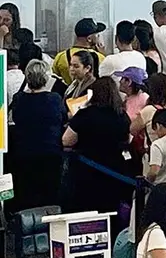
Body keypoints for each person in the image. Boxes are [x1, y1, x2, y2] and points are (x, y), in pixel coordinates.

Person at [62, 77, 132, 218]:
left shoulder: (85, 114)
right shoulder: (122, 116)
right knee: (110, 211)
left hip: (86, 171)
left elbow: (66, 140)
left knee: (87, 212)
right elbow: (128, 138)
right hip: (115, 171)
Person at [9, 59, 67, 211]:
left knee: (27, 193)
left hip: (24, 153)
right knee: (49, 194)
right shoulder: (55, 99)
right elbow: (63, 119)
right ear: (46, 78)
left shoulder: (18, 99)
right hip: (51, 153)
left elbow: (15, 119)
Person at [52, 18, 106, 84]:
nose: (98, 38)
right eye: (97, 35)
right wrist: (103, 54)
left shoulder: (61, 57)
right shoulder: (100, 57)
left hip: (68, 93)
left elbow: (55, 77)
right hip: (92, 93)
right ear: (89, 39)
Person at [146, 109, 166, 185]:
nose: (156, 133)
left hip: (161, 187)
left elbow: (154, 172)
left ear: (158, 125)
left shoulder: (157, 144)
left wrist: (147, 181)